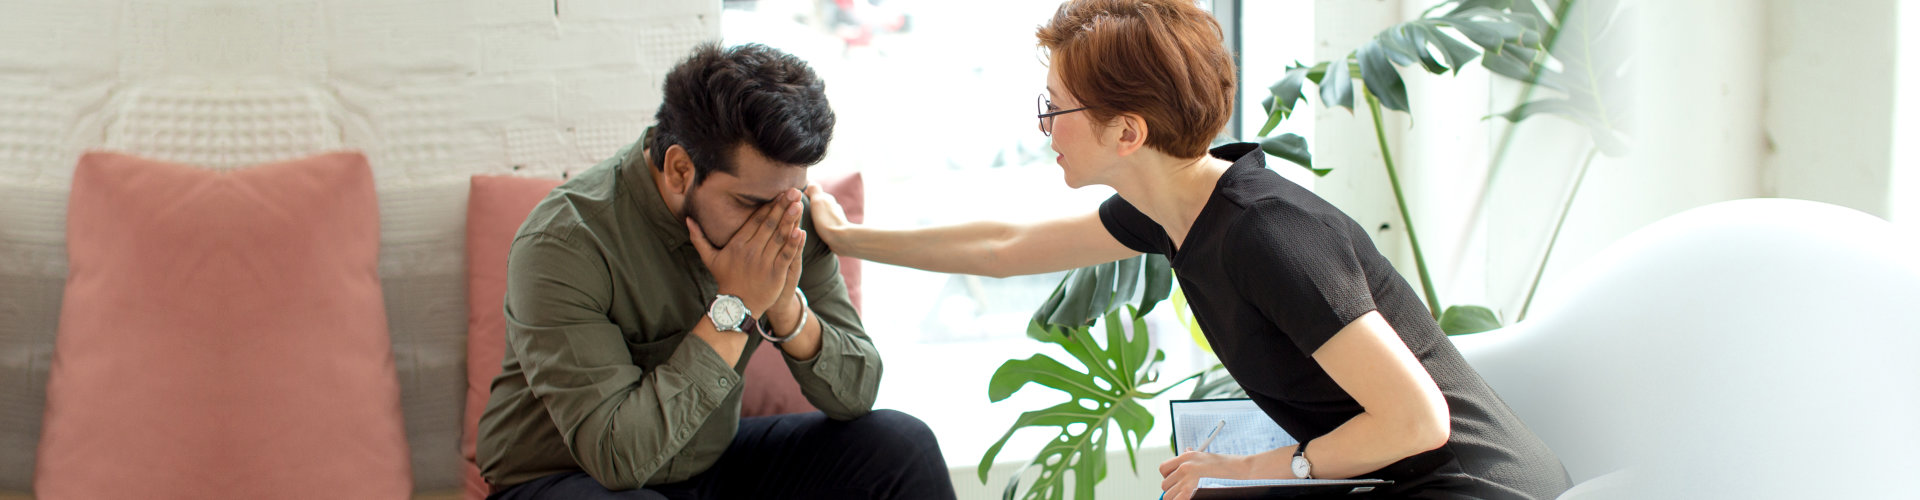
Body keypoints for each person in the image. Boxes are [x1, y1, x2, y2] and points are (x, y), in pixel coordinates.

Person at [802, 1, 1572, 499]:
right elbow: (1006, 246)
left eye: (1055, 107)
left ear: (1128, 132)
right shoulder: (1171, 209)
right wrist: (847, 237)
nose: (1043, 126)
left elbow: (1418, 422)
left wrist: (1255, 471)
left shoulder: (1266, 233)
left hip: (1477, 486)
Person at [477, 42, 956, 500]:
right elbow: (617, 456)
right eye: (750, 203)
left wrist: (785, 305)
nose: (775, 222)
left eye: (790, 197)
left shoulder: (790, 213)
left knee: (900, 446)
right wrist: (738, 306)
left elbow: (855, 395)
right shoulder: (565, 243)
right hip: (566, 477)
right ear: (681, 169)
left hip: (709, 462)